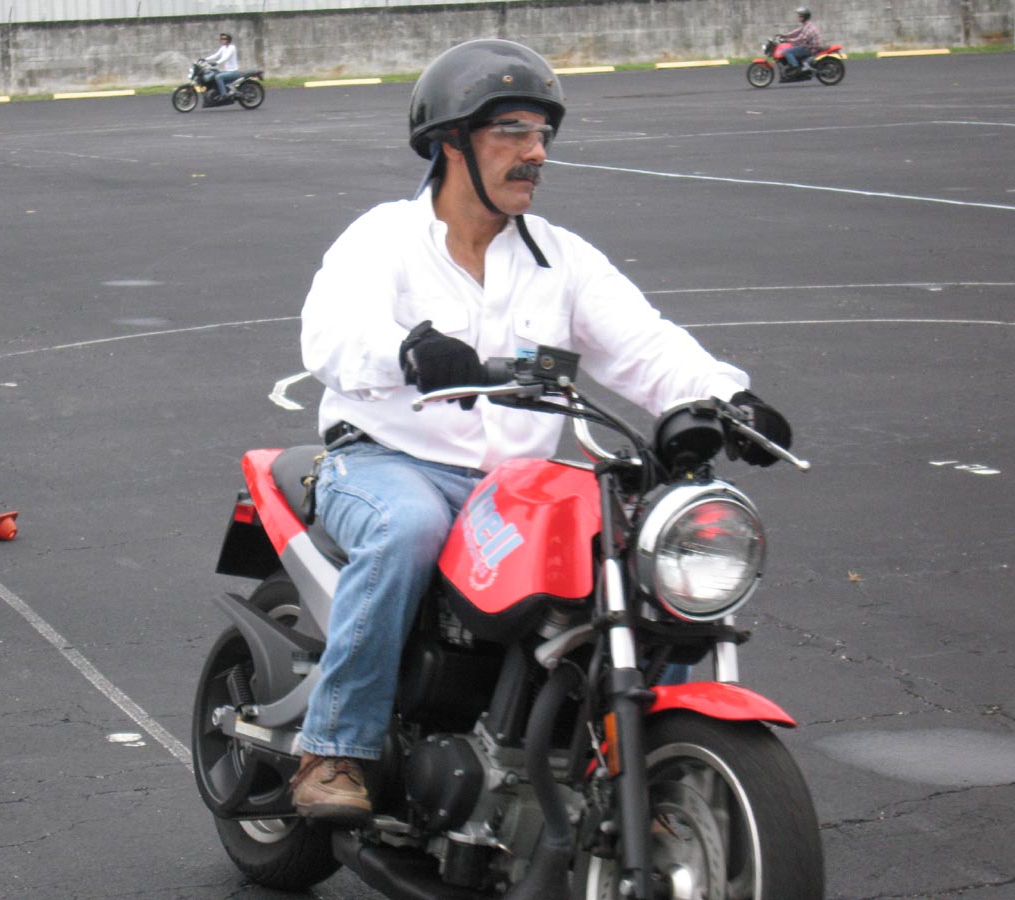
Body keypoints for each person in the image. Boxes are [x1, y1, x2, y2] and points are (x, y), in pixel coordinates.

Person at [290, 39, 792, 823]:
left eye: (543, 135)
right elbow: (331, 332)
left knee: (641, 557)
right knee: (407, 529)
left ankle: (638, 766)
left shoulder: (562, 259)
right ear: (451, 142)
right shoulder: (383, 238)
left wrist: (729, 397)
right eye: (513, 132)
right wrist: (408, 351)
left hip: (514, 488)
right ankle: (334, 748)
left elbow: (646, 346)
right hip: (388, 462)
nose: (536, 153)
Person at [781, 7, 822, 71]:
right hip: (810, 46)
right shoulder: (807, 24)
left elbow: (799, 39)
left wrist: (787, 40)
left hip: (810, 48)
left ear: (804, 17)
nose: (798, 17)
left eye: (800, 16)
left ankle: (796, 68)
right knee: (794, 46)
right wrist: (786, 35)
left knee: (787, 52)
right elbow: (798, 30)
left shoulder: (807, 28)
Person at [203, 32, 240, 98]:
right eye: (221, 39)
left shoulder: (232, 48)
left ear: (228, 39)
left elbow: (226, 58)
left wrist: (217, 63)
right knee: (214, 73)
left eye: (224, 39)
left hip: (233, 72)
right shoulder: (223, 48)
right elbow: (216, 55)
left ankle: (224, 95)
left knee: (218, 77)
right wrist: (205, 59)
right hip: (227, 71)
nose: (222, 40)